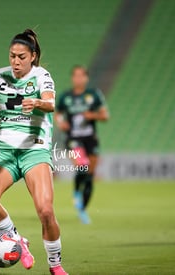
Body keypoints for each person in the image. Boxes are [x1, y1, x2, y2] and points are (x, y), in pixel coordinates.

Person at [0, 29, 68, 275]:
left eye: (21, 56)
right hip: (4, 150)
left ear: (32, 56)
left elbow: (51, 103)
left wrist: (38, 103)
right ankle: (15, 238)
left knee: (45, 209)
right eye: (12, 56)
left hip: (34, 149)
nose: (16, 61)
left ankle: (55, 265)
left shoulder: (42, 76)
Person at [55, 65, 109, 224]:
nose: (78, 79)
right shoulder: (66, 97)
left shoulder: (94, 95)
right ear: (73, 78)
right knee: (82, 166)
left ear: (86, 78)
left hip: (90, 139)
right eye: (76, 76)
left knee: (90, 175)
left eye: (81, 76)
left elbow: (105, 116)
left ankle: (82, 210)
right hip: (73, 138)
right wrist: (61, 123)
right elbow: (58, 113)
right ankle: (76, 194)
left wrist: (92, 115)